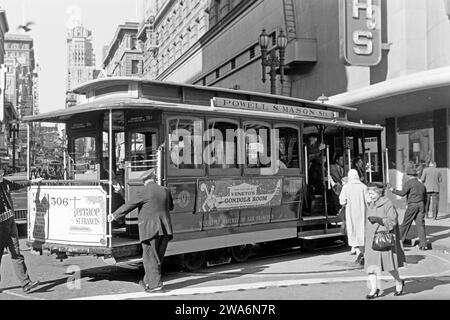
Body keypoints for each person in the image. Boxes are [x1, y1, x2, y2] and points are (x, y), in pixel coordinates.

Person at [108, 168, 174, 292]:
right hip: (165, 229)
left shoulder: (144, 192)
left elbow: (129, 205)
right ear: (154, 177)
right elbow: (170, 207)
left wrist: (114, 215)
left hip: (150, 230)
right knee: (157, 257)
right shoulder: (165, 190)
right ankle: (147, 281)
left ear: (144, 181)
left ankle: (155, 285)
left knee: (149, 257)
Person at [0, 168, 43, 293]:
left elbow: (18, 185)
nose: (2, 175)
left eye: (2, 172)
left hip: (10, 223)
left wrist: (33, 181)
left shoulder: (5, 183)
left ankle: (26, 283)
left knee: (16, 253)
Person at [364, 182, 406, 299]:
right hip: (370, 241)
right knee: (371, 267)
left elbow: (393, 221)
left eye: (372, 193)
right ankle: (373, 289)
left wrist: (379, 220)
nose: (370, 195)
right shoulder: (371, 204)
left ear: (379, 193)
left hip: (383, 239)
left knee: (390, 267)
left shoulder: (388, 204)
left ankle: (398, 281)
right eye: (369, 193)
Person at [388, 164, 428, 250]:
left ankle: (399, 241)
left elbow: (402, 193)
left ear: (409, 175)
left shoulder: (409, 183)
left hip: (412, 205)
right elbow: (425, 197)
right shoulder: (421, 184)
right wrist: (424, 207)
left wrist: (392, 190)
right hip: (421, 205)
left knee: (406, 223)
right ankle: (423, 244)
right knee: (420, 225)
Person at [339, 169, 368, 264]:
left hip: (351, 213)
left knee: (354, 233)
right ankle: (363, 254)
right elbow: (368, 200)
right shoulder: (363, 187)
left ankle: (360, 254)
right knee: (362, 233)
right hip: (363, 213)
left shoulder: (346, 187)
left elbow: (342, 201)